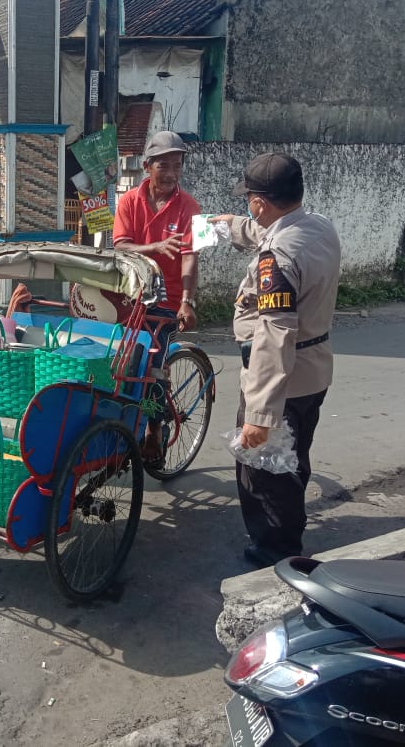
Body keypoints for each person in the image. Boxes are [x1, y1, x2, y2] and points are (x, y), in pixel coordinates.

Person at [212, 153, 341, 568]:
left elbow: (274, 334)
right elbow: (264, 232)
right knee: (294, 458)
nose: (249, 206)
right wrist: (228, 225)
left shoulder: (278, 260)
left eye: (249, 199)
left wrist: (259, 413)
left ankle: (276, 554)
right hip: (312, 371)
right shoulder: (317, 226)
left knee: (263, 471)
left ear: (261, 202)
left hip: (278, 378)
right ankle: (289, 532)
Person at [112, 130, 200, 462]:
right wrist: (155, 248)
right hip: (129, 297)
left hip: (166, 301)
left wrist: (187, 301)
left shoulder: (191, 207)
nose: (171, 174)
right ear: (147, 166)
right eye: (164, 165)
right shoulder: (129, 202)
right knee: (117, 363)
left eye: (177, 166)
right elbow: (121, 246)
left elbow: (191, 257)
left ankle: (154, 425)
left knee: (152, 370)